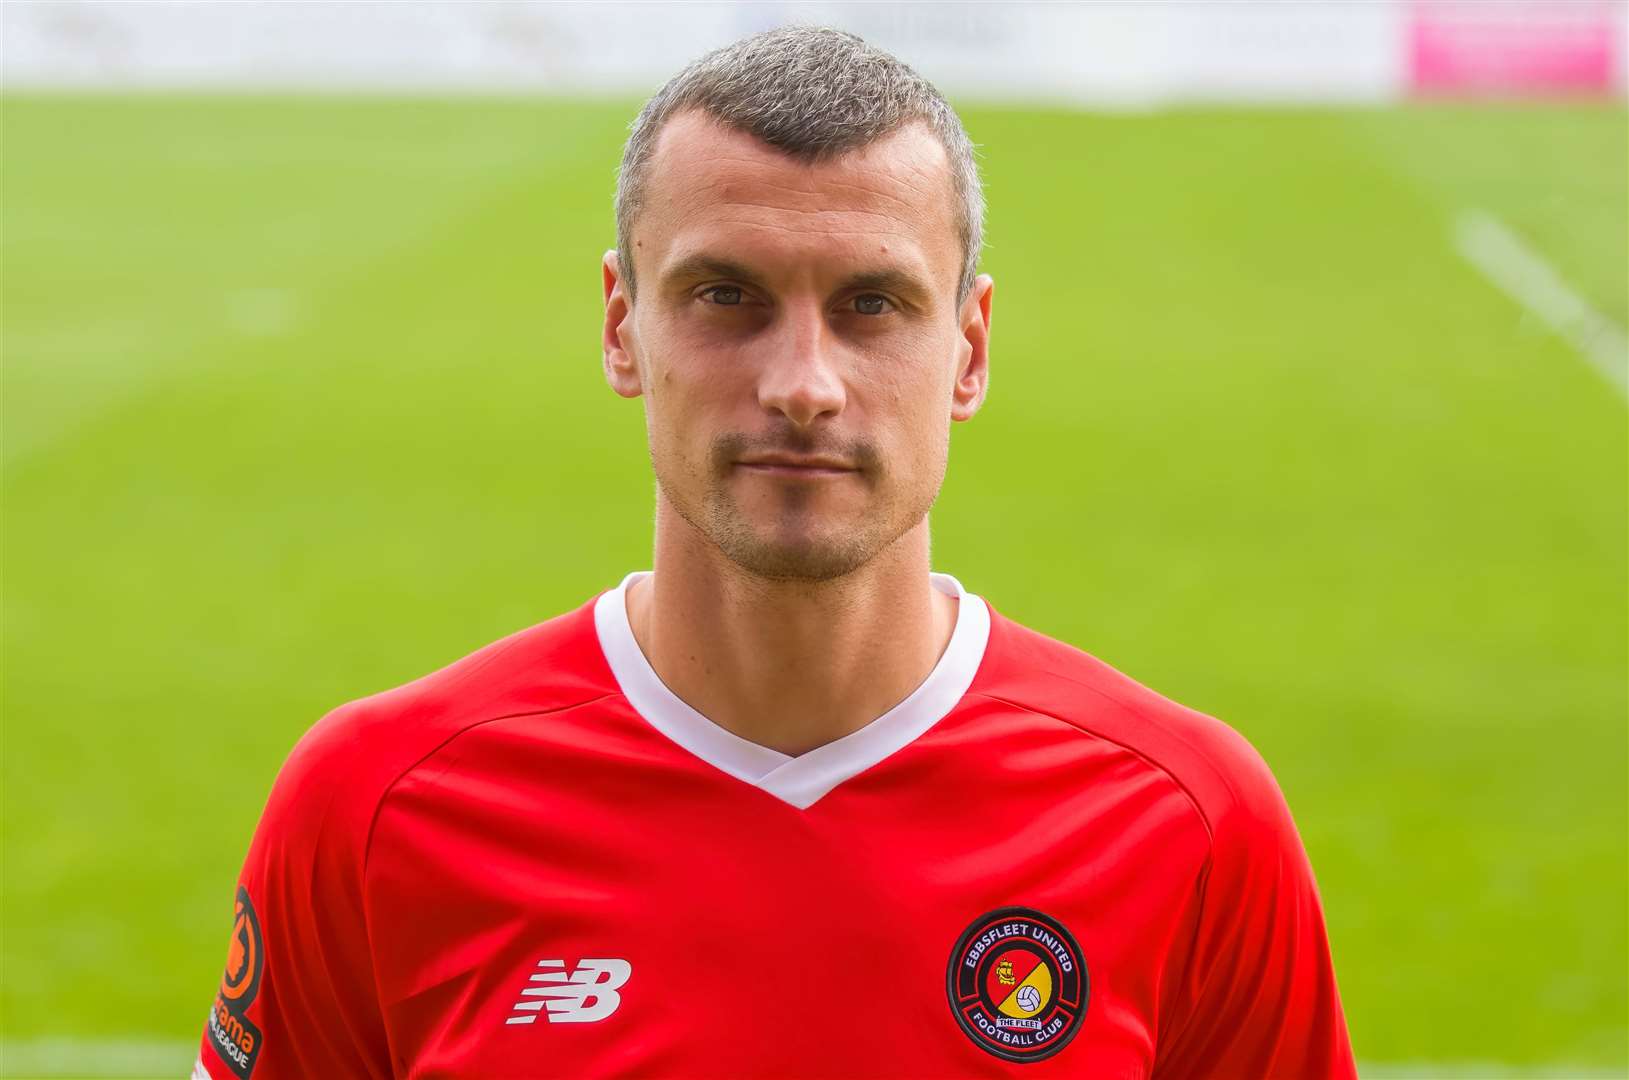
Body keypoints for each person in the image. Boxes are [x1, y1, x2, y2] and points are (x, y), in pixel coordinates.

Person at [196, 26, 1355, 1080]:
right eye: (725, 296)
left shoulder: (1188, 821)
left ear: (969, 349)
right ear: (620, 326)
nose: (803, 385)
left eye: (872, 305)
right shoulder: (375, 808)